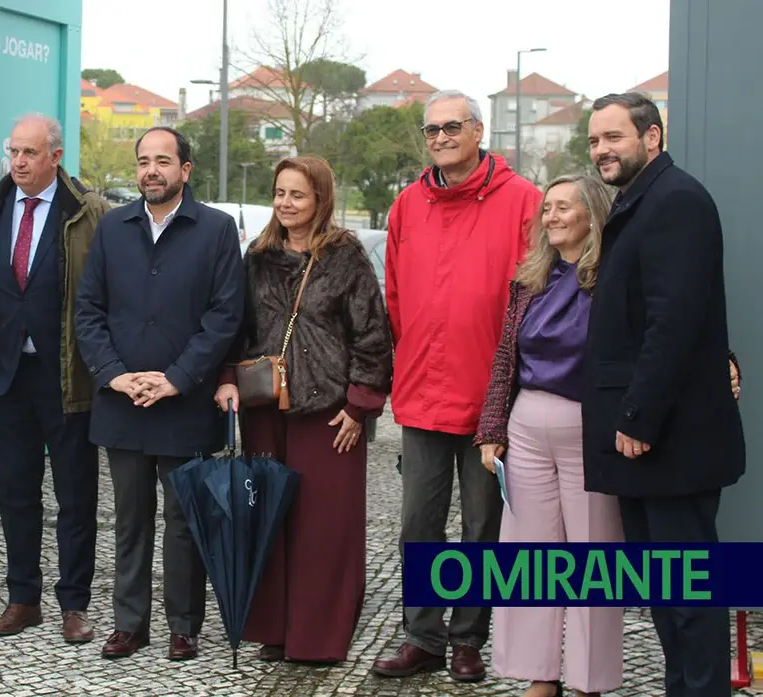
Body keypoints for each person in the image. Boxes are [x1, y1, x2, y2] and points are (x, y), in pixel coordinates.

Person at [372, 89, 543, 683]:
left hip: (491, 402)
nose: (439, 138)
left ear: (477, 130)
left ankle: (469, 637)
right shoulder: (406, 206)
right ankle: (423, 635)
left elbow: (537, 296)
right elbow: (394, 296)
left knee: (482, 528)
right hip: (421, 393)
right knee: (419, 525)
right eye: (431, 130)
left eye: (451, 127)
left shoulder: (524, 200)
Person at [583, 92, 745, 697]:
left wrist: (638, 416)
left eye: (614, 138)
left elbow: (671, 322)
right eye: (595, 139)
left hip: (669, 442)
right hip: (649, 446)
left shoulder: (676, 201)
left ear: (652, 138)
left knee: (689, 597)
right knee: (663, 591)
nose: (601, 149)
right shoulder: (641, 201)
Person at [75, 126, 244, 661]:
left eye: (163, 161)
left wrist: (176, 377)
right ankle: (130, 623)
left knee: (183, 521)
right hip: (122, 400)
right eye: (144, 161)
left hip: (185, 402)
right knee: (128, 519)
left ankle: (183, 624)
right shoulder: (113, 228)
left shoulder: (216, 230)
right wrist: (114, 373)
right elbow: (89, 311)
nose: (151, 170)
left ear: (185, 169)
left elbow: (224, 316)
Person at [214, 155, 392, 664]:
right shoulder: (258, 256)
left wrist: (360, 406)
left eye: (298, 194)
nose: (286, 203)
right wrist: (227, 378)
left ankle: (317, 637)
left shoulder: (346, 257)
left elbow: (374, 335)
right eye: (280, 193)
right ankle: (274, 628)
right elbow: (236, 327)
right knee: (269, 517)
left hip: (328, 411)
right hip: (265, 407)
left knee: (324, 529)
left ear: (321, 200)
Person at [0, 113, 111, 643]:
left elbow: (106, 294)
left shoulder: (88, 213)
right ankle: (23, 599)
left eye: (29, 153)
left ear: (55, 157)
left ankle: (73, 604)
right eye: (13, 151)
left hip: (66, 375)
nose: (18, 162)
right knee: (15, 492)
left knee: (76, 492)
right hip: (6, 374)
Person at [473, 174, 623, 697]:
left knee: (594, 557)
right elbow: (504, 360)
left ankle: (588, 680)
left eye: (564, 207)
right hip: (527, 428)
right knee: (533, 558)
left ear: (593, 214)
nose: (551, 216)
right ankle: (541, 676)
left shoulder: (615, 277)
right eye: (547, 208)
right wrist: (491, 429)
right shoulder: (529, 279)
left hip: (590, 430)